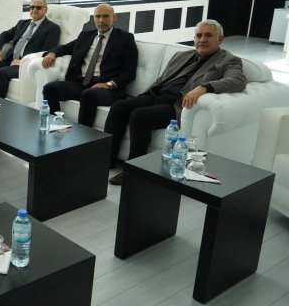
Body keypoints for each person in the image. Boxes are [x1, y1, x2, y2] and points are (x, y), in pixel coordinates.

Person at [104, 19, 246, 185]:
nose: (202, 39)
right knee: (119, 107)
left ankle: (134, 171)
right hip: (156, 96)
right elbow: (162, 79)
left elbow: (238, 80)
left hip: (177, 105)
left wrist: (205, 87)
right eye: (199, 35)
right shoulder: (182, 55)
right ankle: (107, 160)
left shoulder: (229, 60)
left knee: (139, 116)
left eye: (208, 35)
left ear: (220, 39)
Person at [41, 3, 138, 127]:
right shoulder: (86, 36)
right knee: (49, 88)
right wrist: (52, 53)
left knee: (88, 94)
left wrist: (109, 84)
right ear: (94, 19)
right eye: (98, 16)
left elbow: (130, 72)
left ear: (114, 17)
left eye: (105, 16)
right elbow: (66, 47)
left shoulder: (125, 38)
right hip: (80, 83)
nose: (101, 20)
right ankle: (54, 126)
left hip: (107, 89)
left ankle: (83, 134)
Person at [0, 0, 61, 98]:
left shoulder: (52, 28)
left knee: (3, 72)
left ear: (45, 10)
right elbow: (5, 35)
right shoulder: (22, 23)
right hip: (11, 60)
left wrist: (23, 61)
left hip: (26, 64)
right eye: (32, 7)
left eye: (38, 7)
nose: (34, 10)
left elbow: (47, 50)